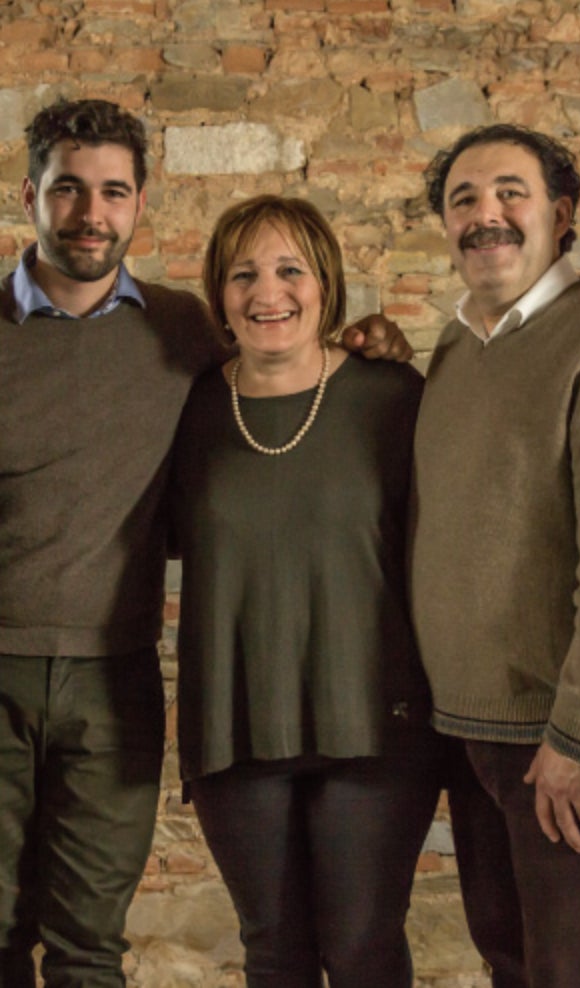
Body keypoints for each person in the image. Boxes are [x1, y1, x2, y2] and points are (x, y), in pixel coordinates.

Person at [0, 97, 410, 988]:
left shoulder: (176, 330)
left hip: (119, 677)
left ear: (140, 204)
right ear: (29, 195)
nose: (90, 213)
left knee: (89, 947)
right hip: (55, 674)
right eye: (68, 189)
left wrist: (377, 338)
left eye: (113, 191)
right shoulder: (185, 365)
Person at [409, 123, 580, 988]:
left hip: (560, 739)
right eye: (463, 200)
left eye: (509, 193)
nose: (484, 214)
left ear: (562, 214)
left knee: (569, 971)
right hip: (470, 727)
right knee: (508, 962)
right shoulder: (459, 343)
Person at [169, 194, 441, 988]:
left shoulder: (393, 395)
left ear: (326, 282)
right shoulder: (186, 405)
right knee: (273, 953)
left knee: (362, 949)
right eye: (243, 274)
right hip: (235, 722)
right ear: (219, 294)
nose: (268, 292)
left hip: (375, 720)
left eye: (290, 270)